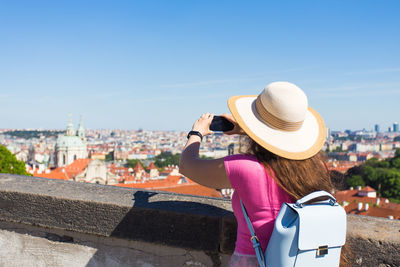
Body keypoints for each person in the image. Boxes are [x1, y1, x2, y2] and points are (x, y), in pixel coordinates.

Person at [179, 82, 345, 267]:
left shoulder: (246, 167)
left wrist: (197, 132)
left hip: (255, 261)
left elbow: (187, 166)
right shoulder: (316, 168)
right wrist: (248, 130)